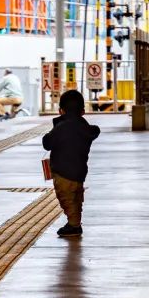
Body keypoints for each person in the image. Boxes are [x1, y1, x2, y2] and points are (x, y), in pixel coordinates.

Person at [41, 89, 100, 237]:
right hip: (79, 172)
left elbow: (47, 143)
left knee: (66, 199)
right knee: (76, 198)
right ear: (83, 111)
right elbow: (94, 131)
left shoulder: (61, 127)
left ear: (61, 110)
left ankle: (74, 225)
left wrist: (55, 127)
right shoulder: (84, 128)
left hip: (62, 172)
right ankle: (75, 223)